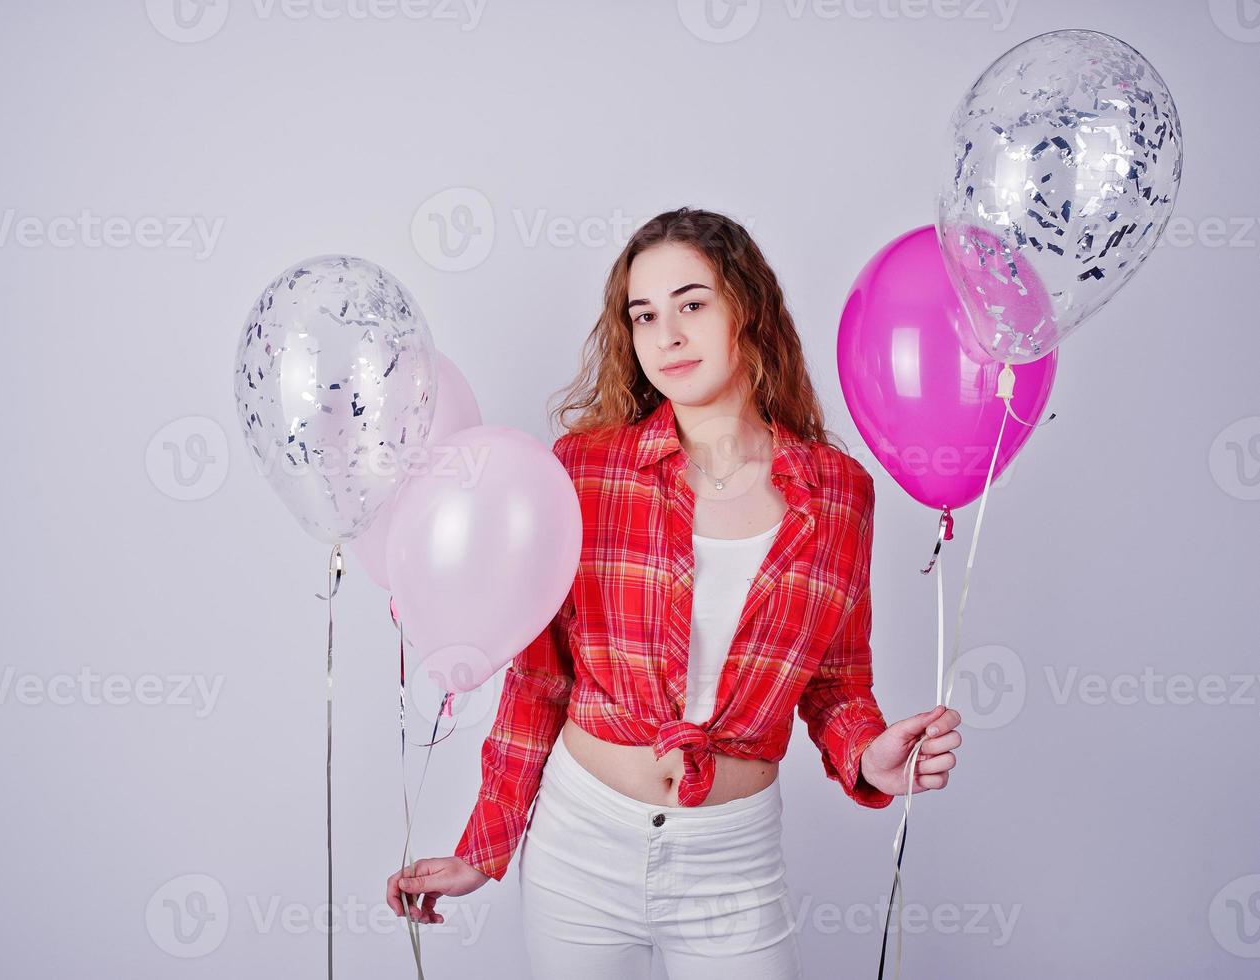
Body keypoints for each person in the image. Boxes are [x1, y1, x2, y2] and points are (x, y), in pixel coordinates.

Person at [385, 207, 963, 979]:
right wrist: (481, 849)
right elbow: (538, 680)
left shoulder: (837, 492)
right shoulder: (584, 472)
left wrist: (867, 754)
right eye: (644, 315)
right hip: (580, 847)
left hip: (733, 863)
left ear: (745, 308)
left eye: (692, 304)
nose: (667, 336)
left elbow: (832, 681)